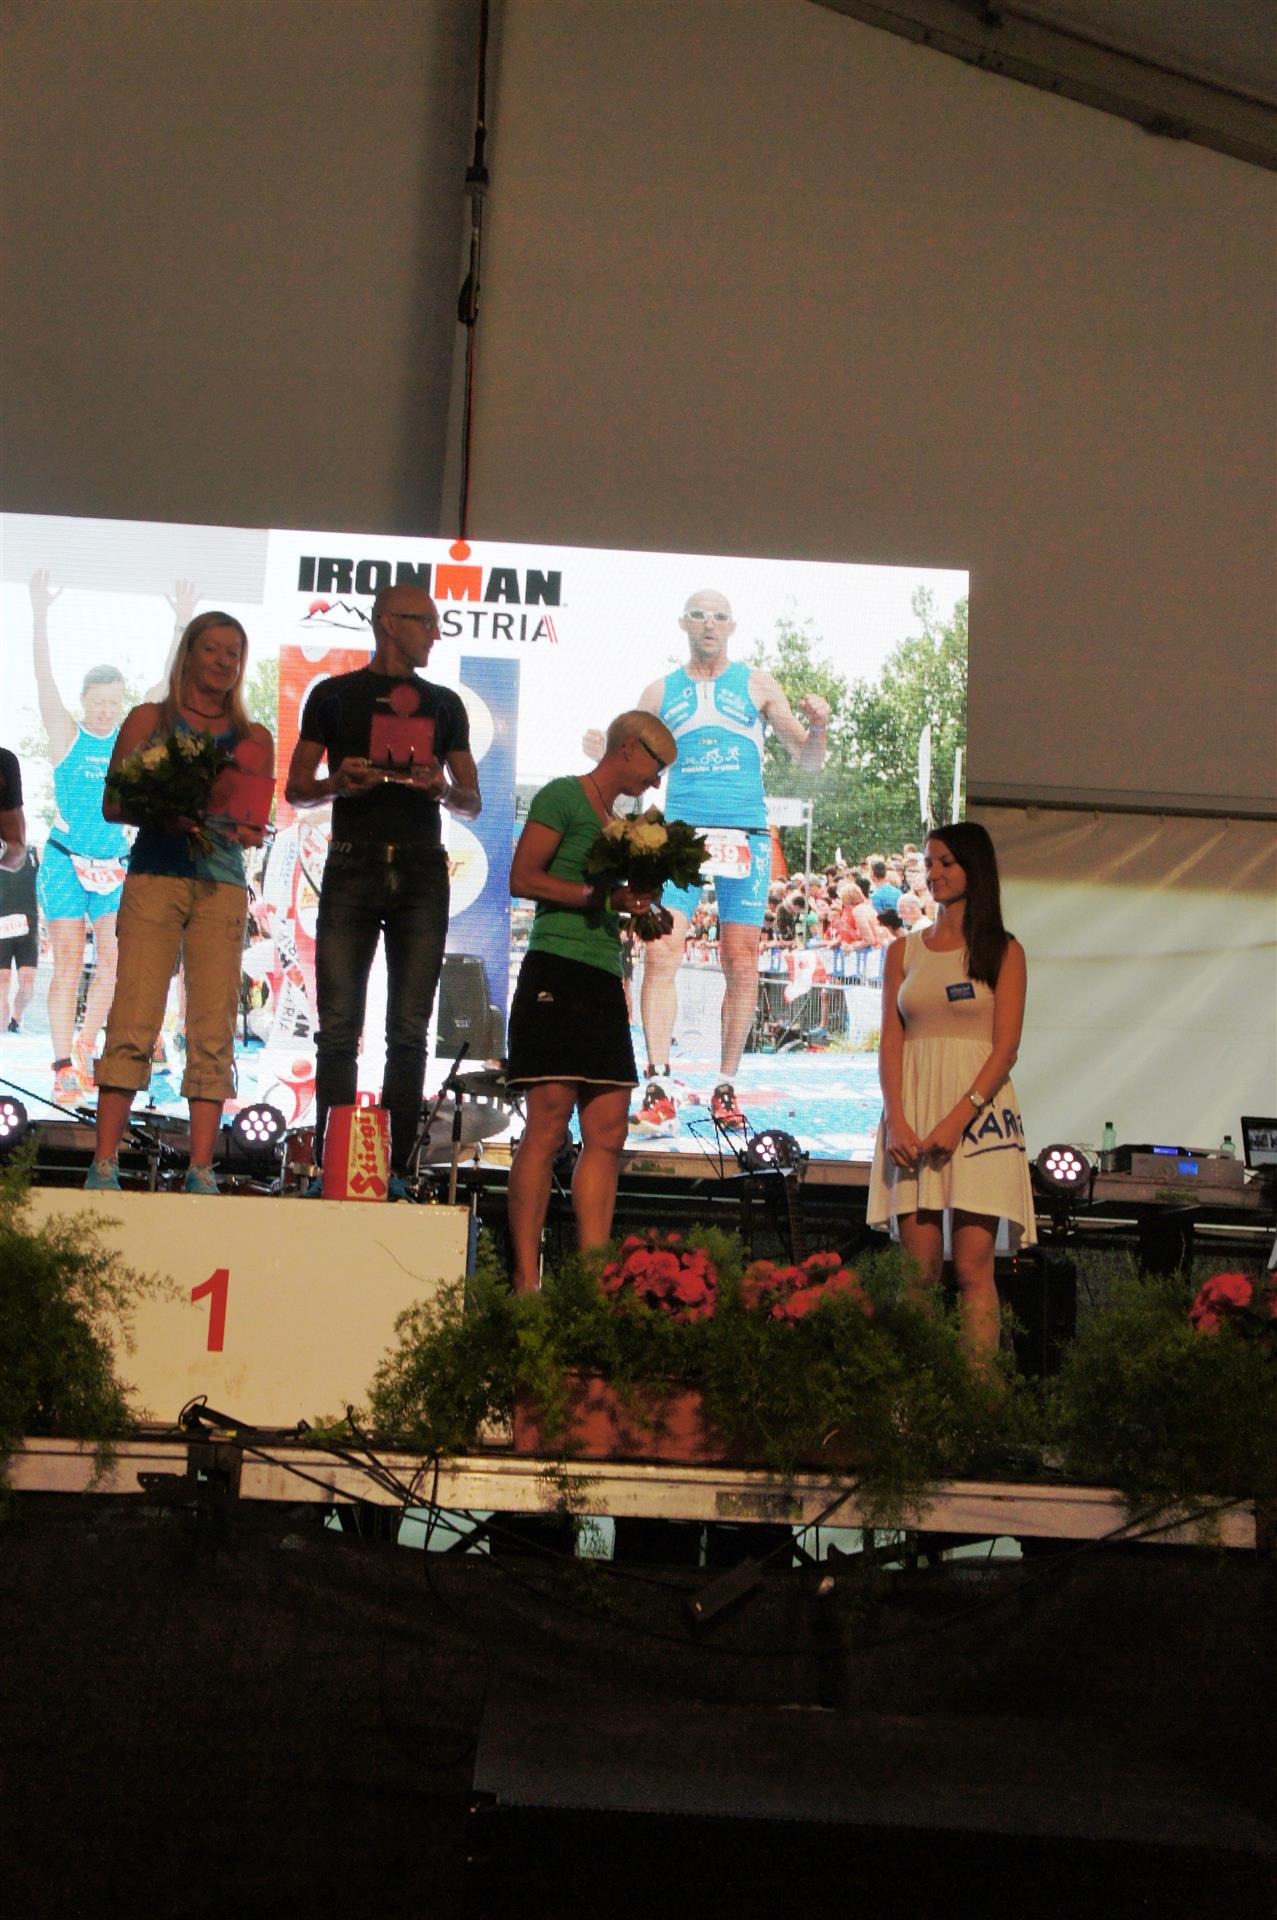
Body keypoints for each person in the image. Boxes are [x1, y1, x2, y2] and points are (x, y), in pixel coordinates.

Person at [588, 589, 830, 1132]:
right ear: (684, 624)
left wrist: (818, 727)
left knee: (740, 961)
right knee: (661, 951)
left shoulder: (758, 684)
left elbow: (808, 760)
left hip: (746, 836)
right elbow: (625, 764)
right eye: (699, 615)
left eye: (719, 616)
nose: (709, 624)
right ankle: (657, 1085)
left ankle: (726, 1085)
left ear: (732, 626)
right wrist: (601, 755)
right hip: (681, 837)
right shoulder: (659, 691)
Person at [284, 584, 481, 1191]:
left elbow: (472, 800)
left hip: (423, 870)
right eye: (427, 622)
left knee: (409, 1030)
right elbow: (295, 789)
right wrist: (336, 782)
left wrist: (440, 789)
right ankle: (333, 1167)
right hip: (351, 865)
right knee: (338, 1028)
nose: (435, 634)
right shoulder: (333, 695)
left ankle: (396, 1171)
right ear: (389, 623)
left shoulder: (445, 704)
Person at [85, 613, 275, 1192]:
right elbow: (113, 804)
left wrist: (246, 828)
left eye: (233, 653)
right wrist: (164, 812)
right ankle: (104, 1163)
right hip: (155, 877)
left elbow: (252, 822)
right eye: (212, 649)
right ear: (188, 654)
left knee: (213, 1023)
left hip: (222, 886)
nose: (223, 661)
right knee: (133, 1015)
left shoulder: (255, 737)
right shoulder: (149, 719)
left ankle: (201, 1168)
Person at [505, 710, 676, 1292]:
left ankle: (592, 1285)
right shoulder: (562, 795)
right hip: (555, 967)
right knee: (548, 1124)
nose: (656, 780)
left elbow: (609, 903)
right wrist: (597, 897)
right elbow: (523, 878)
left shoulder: (623, 824)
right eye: (655, 766)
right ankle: (526, 1285)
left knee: (608, 1131)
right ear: (628, 748)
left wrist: (643, 915)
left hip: (604, 976)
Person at [866, 822, 1035, 1359]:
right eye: (929, 862)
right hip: (912, 1117)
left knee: (972, 1268)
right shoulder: (903, 952)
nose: (933, 873)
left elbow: (1005, 1049)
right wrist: (897, 1121)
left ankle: (977, 1393)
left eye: (945, 862)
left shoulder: (1004, 952)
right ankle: (916, 1390)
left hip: (979, 1122)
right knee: (917, 1273)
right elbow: (891, 1044)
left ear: (973, 869)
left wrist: (957, 1120)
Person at [30, 570, 130, 1103]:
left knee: (113, 959)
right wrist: (39, 612)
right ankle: (62, 1064)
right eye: (98, 701)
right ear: (84, 700)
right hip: (66, 861)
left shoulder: (127, 739)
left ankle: (88, 1046)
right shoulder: (66, 733)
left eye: (114, 702)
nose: (106, 710)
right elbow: (42, 677)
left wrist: (182, 623)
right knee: (69, 961)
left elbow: (163, 691)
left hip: (113, 864)